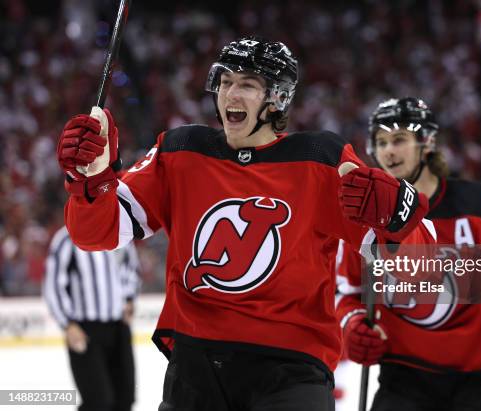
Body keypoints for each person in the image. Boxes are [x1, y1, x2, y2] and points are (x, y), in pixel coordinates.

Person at [55, 37, 434, 410]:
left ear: (278, 98)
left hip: (290, 372)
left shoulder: (321, 159)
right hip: (195, 368)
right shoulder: (181, 151)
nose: (230, 94)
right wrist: (91, 179)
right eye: (225, 82)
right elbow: (95, 235)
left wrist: (396, 221)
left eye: (248, 85)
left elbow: (421, 271)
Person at [336, 97, 481, 410]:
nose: (388, 151)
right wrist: (353, 324)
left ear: (426, 143)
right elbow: (346, 291)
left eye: (399, 139)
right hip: (403, 382)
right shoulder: (368, 216)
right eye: (381, 141)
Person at [43, 225, 141, 411]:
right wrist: (68, 324)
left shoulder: (121, 233)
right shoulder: (66, 239)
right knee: (98, 401)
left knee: (125, 398)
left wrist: (129, 298)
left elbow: (131, 268)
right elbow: (54, 285)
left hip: (119, 327)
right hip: (85, 331)